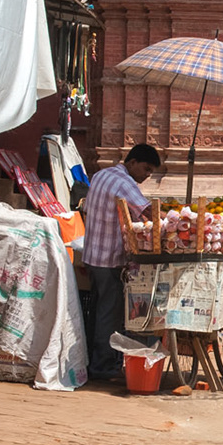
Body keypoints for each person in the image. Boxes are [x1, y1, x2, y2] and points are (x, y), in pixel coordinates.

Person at [78, 143, 161, 384]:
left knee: (99, 312)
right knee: (109, 315)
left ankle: (99, 361)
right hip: (108, 260)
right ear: (132, 162)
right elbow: (146, 212)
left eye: (150, 172)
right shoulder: (124, 183)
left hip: (93, 256)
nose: (146, 176)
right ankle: (103, 367)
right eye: (145, 169)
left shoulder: (102, 174)